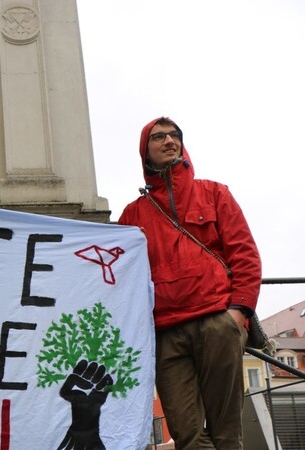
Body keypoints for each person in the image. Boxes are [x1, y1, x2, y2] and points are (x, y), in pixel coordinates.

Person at [118, 117, 261, 449]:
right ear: (145, 151)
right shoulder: (133, 214)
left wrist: (237, 312)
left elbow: (245, 254)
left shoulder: (214, 193)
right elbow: (118, 276)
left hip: (217, 321)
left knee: (227, 433)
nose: (169, 141)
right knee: (187, 436)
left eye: (174, 136)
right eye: (159, 137)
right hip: (166, 333)